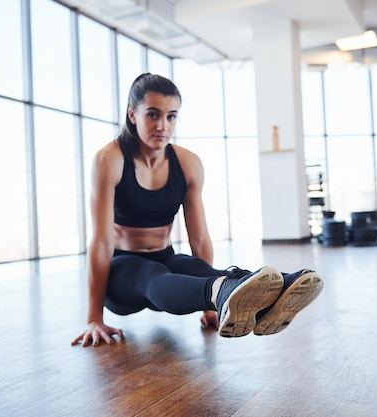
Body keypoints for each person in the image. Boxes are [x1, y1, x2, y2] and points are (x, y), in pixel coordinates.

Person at [71, 73, 323, 347]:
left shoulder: (187, 163)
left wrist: (209, 311)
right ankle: (220, 292)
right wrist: (94, 318)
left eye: (171, 116)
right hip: (121, 275)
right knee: (152, 275)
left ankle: (274, 291)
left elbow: (199, 238)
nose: (163, 125)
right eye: (153, 115)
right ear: (133, 115)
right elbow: (100, 242)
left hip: (164, 257)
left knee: (192, 266)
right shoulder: (110, 159)